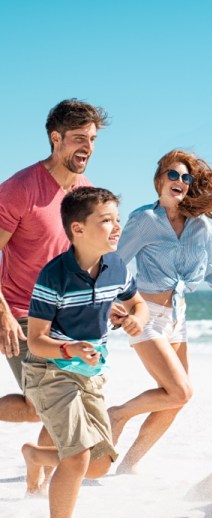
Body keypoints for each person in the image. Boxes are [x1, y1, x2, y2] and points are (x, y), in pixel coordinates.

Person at [109, 149, 212, 474]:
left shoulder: (200, 227)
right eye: (173, 175)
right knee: (179, 390)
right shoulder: (144, 221)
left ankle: (129, 465)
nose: (179, 181)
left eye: (185, 177)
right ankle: (117, 414)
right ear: (160, 180)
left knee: (177, 399)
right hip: (145, 314)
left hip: (178, 318)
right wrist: (111, 301)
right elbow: (114, 261)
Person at [20, 187, 147, 518]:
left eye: (117, 220)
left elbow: (138, 304)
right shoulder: (53, 276)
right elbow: (36, 340)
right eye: (106, 220)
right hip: (50, 370)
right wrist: (69, 348)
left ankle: (35, 455)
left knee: (100, 463)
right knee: (76, 457)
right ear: (77, 229)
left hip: (91, 372)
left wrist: (137, 317)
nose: (116, 227)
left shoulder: (116, 266)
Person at [0, 99, 109, 425]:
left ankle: (39, 470)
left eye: (92, 139)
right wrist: (2, 313)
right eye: (79, 138)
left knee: (60, 405)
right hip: (21, 315)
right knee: (50, 407)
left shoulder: (85, 191)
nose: (87, 147)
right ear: (55, 138)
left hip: (68, 317)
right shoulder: (19, 189)